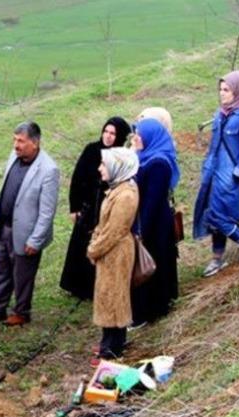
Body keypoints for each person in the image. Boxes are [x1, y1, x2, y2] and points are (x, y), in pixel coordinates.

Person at [0, 121, 60, 327]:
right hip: (5, 227)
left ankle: (21, 312)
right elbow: (3, 190)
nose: (16, 145)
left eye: (21, 141)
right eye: (14, 140)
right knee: (0, 270)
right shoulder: (13, 157)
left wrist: (36, 240)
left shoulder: (48, 170)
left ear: (35, 143)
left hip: (27, 233)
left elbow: (47, 212)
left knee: (22, 276)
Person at [193, 70, 239, 277]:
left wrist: (238, 172)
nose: (222, 94)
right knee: (212, 216)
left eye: (227, 90)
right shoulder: (220, 114)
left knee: (218, 214)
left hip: (230, 177)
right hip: (213, 173)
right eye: (221, 89)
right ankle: (217, 258)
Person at [60, 116, 131, 300]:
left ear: (120, 136)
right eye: (106, 131)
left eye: (113, 133)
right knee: (81, 245)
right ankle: (75, 286)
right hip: (87, 207)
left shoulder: (122, 155)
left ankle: (95, 287)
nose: (108, 136)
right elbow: (77, 178)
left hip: (107, 208)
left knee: (100, 244)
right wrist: (74, 207)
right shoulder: (92, 150)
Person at [87, 149, 139, 360]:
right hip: (109, 251)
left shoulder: (126, 195)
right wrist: (95, 242)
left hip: (116, 253)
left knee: (115, 296)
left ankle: (112, 347)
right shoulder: (118, 189)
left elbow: (114, 231)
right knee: (107, 295)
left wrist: (94, 249)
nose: (100, 169)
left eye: (104, 164)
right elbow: (103, 225)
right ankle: (108, 341)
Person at [130, 118, 180, 327]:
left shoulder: (158, 162)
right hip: (148, 221)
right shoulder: (145, 157)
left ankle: (151, 310)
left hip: (154, 225)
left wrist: (141, 229)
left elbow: (152, 199)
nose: (135, 138)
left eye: (138, 134)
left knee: (149, 265)